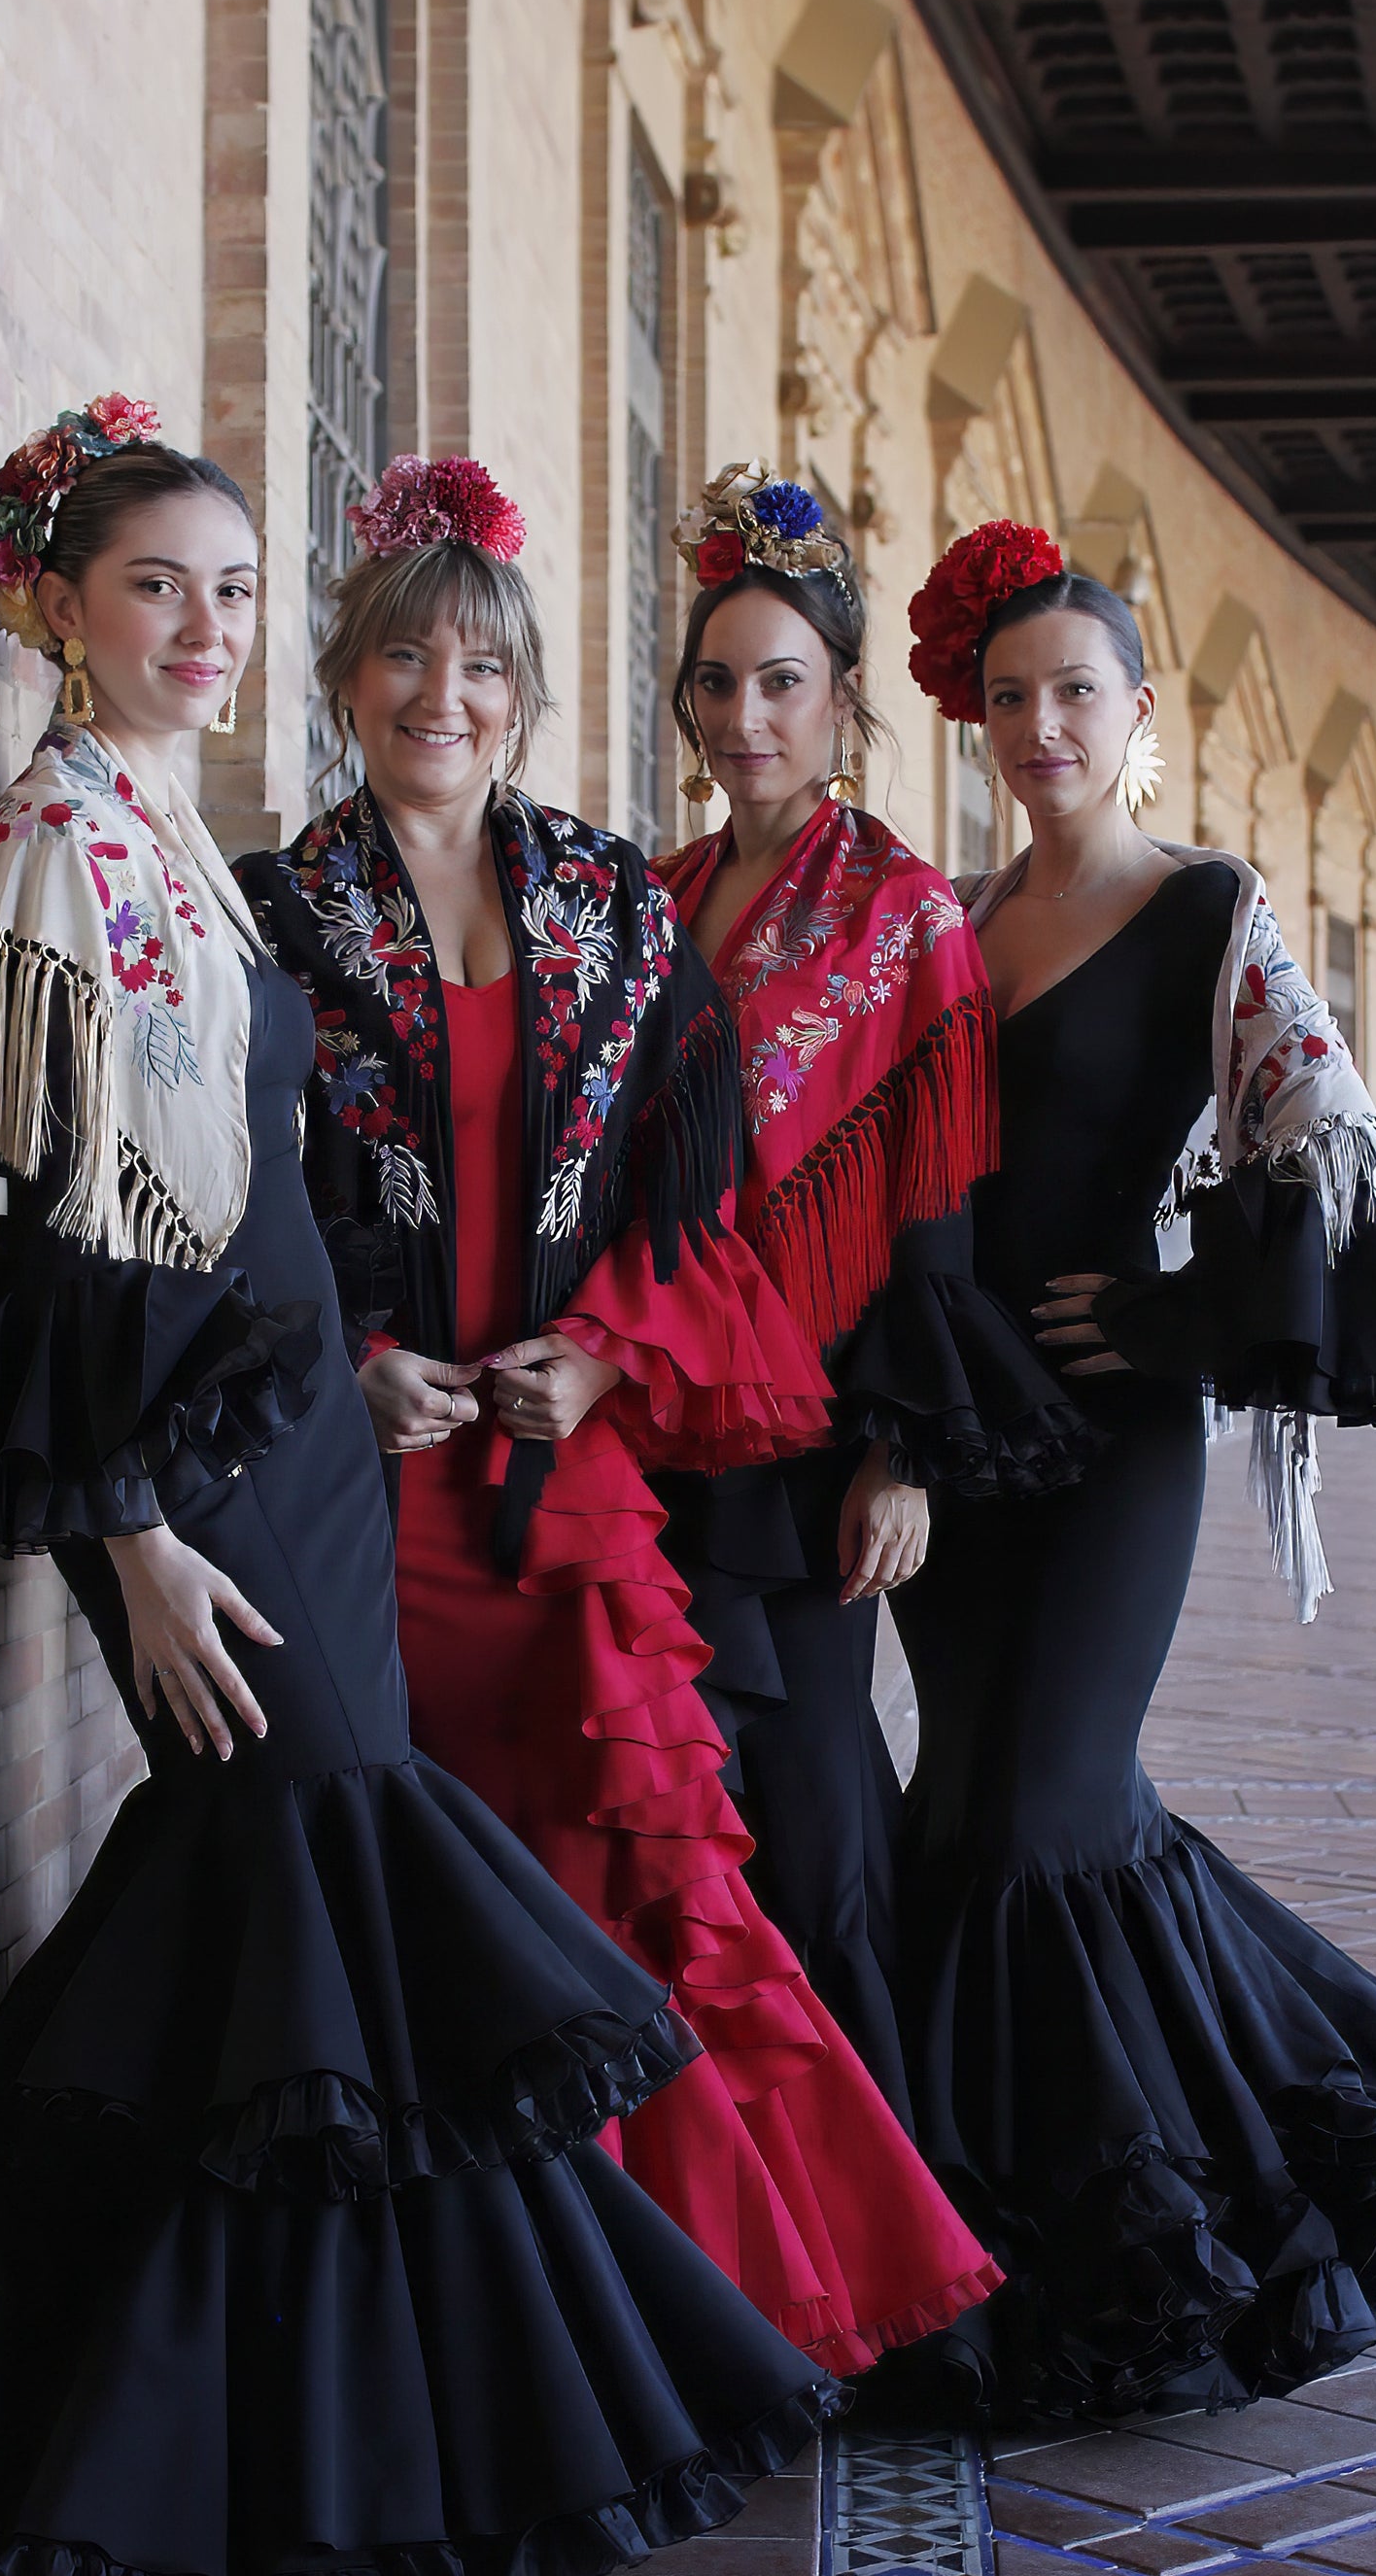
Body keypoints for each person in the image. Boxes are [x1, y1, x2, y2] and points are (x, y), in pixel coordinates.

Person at [0, 401, 839, 2576]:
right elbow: (49, 1227)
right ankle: (325, 2470)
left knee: (301, 1925)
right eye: (162, 588)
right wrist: (123, 1532)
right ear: (55, 601)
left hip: (308, 1443)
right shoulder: (55, 841)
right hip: (203, 1461)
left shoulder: (168, 829)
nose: (202, 629)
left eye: (229, 589)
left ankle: (338, 2474)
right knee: (324, 1874)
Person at [236, 451, 999, 2378]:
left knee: (625, 1875)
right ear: (345, 677)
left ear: (527, 693)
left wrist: (600, 1355)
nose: (443, 696)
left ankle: (660, 2316)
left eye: (480, 665)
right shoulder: (278, 912)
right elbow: (242, 1201)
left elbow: (699, 1193)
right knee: (430, 1885)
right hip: (378, 1486)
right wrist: (345, 1359)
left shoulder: (605, 903)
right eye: (404, 659)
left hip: (566, 1476)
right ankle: (464, 2327)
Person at [885, 519, 1376, 2421]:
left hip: (1109, 1443)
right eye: (1009, 696)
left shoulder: (1209, 912)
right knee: (964, 1814)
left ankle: (1199, 2238)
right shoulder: (943, 922)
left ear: (1136, 715)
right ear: (978, 715)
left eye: (1074, 694)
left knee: (1049, 1813)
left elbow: (1318, 1150)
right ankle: (981, 2271)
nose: (1041, 723)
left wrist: (1189, 1326)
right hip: (959, 1429)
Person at [653, 464, 1092, 2121]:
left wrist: (906, 1454)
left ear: (843, 705)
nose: (745, 716)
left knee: (820, 1803)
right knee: (689, 1801)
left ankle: (880, 2196)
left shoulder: (905, 916)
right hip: (660, 1411)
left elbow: (935, 1208)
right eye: (717, 683)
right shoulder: (661, 896)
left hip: (825, 1425)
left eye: (782, 683)